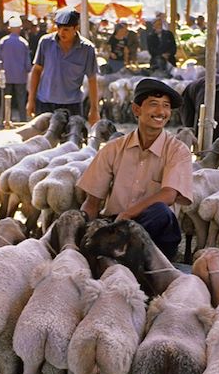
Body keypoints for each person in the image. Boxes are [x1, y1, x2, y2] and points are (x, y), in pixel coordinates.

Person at [77, 78, 192, 260]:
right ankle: (107, 250)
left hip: (155, 231)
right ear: (136, 109)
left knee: (162, 212)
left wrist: (129, 214)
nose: (161, 112)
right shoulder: (112, 149)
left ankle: (116, 251)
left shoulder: (178, 151)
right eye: (153, 104)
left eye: (166, 106)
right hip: (114, 227)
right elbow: (92, 202)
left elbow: (169, 195)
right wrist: (84, 231)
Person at [27, 7, 99, 124]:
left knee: (71, 141)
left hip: (72, 105)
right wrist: (31, 100)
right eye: (59, 28)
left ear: (76, 28)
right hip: (45, 103)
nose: (61, 33)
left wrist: (94, 109)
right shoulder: (45, 42)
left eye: (66, 29)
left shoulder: (87, 49)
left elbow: (92, 79)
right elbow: (36, 71)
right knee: (44, 140)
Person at [0, 17, 31, 122]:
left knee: (6, 99)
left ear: (9, 28)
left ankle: (6, 119)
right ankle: (23, 120)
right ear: (20, 28)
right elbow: (27, 63)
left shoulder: (3, 41)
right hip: (20, 76)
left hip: (6, 75)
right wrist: (28, 71)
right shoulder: (24, 43)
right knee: (21, 99)